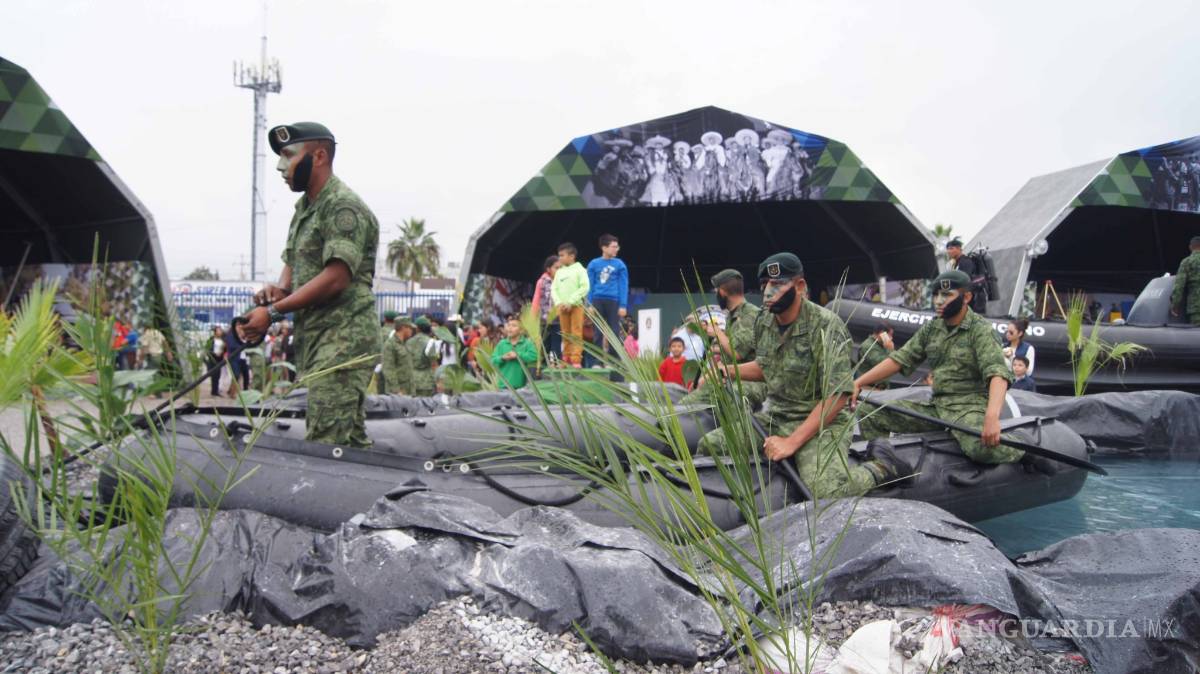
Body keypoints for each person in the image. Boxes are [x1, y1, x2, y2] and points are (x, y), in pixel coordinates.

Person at [697, 253, 910, 499]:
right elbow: (767, 367)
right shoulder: (763, 321)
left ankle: (881, 468)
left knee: (826, 492)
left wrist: (791, 442)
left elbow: (839, 393)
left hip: (822, 422)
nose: (768, 291)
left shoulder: (826, 326)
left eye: (777, 284)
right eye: (764, 284)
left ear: (799, 286)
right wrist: (728, 371)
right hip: (777, 416)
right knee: (710, 445)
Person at [240, 121, 379, 448]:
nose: (280, 166)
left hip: (343, 338)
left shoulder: (343, 206)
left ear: (318, 156)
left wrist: (273, 313)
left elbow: (336, 278)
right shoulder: (305, 210)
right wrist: (276, 292)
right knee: (346, 440)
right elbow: (291, 268)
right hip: (318, 338)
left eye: (288, 155)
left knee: (326, 442)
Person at [853, 270, 1023, 466]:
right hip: (936, 408)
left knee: (979, 449)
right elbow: (900, 359)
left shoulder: (980, 331)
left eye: (947, 295)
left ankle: (1022, 451)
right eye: (935, 295)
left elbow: (997, 374)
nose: (939, 301)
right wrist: (858, 382)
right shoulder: (932, 328)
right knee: (870, 411)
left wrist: (991, 417)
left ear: (966, 297)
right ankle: (882, 466)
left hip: (968, 408)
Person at [680, 269, 765, 407]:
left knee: (697, 405)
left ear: (723, 291)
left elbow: (736, 353)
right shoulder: (731, 316)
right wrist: (705, 379)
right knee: (687, 404)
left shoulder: (750, 314)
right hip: (728, 378)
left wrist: (718, 333)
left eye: (716, 290)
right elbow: (726, 357)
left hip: (750, 382)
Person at [586, 234, 629, 355]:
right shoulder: (593, 264)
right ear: (604, 248)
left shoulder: (620, 264)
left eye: (617, 246)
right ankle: (597, 360)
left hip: (613, 301)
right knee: (597, 331)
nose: (616, 249)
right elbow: (590, 284)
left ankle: (614, 359)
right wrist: (589, 304)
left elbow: (623, 285)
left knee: (614, 331)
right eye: (613, 246)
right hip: (597, 300)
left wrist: (623, 305)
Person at [551, 242, 589, 367]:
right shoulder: (559, 272)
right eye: (559, 255)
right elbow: (554, 289)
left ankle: (576, 359)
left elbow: (585, 287)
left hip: (576, 306)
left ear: (572, 256)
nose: (559, 258)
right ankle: (566, 358)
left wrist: (571, 302)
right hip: (562, 307)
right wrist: (559, 303)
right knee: (565, 332)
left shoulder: (580, 269)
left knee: (576, 332)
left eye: (562, 255)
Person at [490, 318, 538, 389]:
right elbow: (493, 360)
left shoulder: (527, 343)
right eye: (509, 325)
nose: (510, 328)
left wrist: (518, 355)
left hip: (521, 387)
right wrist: (502, 358)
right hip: (503, 386)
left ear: (521, 330)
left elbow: (534, 356)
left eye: (514, 325)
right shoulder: (502, 344)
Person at [945, 239, 987, 314]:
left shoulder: (965, 262)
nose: (948, 251)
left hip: (973, 300)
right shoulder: (956, 263)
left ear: (959, 249)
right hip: (967, 300)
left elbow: (964, 281)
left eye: (951, 248)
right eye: (947, 249)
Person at [532, 255, 561, 359]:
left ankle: (555, 364)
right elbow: (536, 299)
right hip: (544, 319)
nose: (559, 270)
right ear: (548, 269)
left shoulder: (562, 281)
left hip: (558, 319)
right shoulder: (542, 281)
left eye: (561, 268)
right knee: (545, 343)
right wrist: (533, 316)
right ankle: (542, 365)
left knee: (557, 344)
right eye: (556, 268)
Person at [1170, 235, 1200, 325]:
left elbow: (1179, 286)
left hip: (1197, 309)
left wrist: (1175, 305)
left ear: (1190, 247)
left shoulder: (1187, 262)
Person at [407, 316, 438, 396]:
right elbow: (434, 364)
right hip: (426, 382)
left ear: (417, 328)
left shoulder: (409, 342)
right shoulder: (430, 342)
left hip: (410, 380)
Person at [382, 317, 414, 395]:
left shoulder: (406, 344)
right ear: (404, 327)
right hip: (397, 392)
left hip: (408, 389)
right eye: (410, 328)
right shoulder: (390, 345)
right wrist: (396, 390)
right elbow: (388, 369)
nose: (412, 331)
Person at [375, 310, 398, 394]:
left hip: (379, 363)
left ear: (384, 319)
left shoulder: (379, 331)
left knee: (380, 389)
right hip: (393, 365)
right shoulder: (397, 333)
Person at [204, 325, 226, 397]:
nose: (220, 332)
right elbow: (207, 349)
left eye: (220, 330)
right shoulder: (211, 340)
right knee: (213, 375)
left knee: (218, 375)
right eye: (218, 330)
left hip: (220, 359)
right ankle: (214, 391)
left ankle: (216, 391)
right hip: (213, 358)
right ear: (215, 332)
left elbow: (225, 349)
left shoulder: (223, 340)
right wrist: (213, 354)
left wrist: (222, 354)